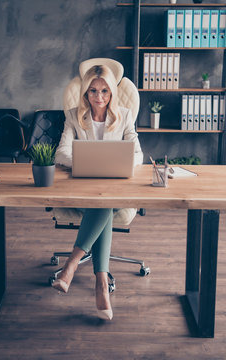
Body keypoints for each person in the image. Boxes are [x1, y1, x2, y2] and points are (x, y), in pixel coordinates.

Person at [53, 64, 143, 320]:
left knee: (106, 201)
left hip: (115, 190)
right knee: (102, 204)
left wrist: (120, 163)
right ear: (85, 92)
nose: (99, 97)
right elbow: (61, 153)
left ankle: (72, 265)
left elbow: (138, 155)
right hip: (84, 189)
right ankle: (100, 283)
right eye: (93, 91)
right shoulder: (73, 116)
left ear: (112, 92)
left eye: (105, 91)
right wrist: (87, 163)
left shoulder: (125, 116)